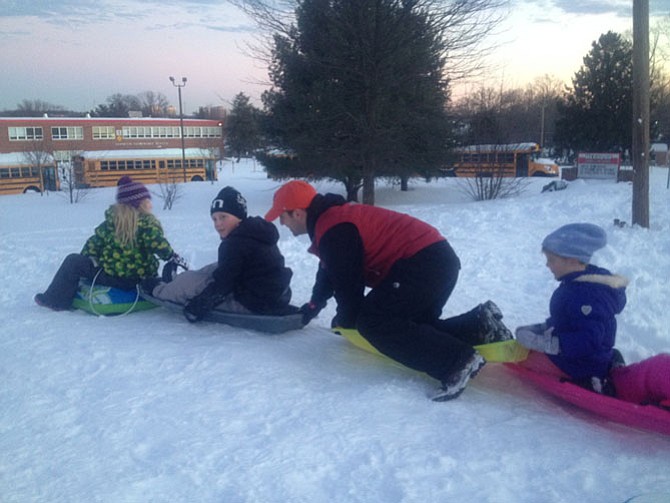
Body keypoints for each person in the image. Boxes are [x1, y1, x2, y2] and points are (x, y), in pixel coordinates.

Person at [264, 180, 513, 401]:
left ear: (297, 213)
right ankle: (479, 325)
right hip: (436, 261)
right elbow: (330, 268)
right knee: (409, 327)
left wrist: (349, 321)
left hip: (424, 263)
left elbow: (348, 283)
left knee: (374, 322)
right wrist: (315, 304)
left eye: (282, 216)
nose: (281, 222)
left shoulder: (334, 228)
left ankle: (458, 361)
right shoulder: (332, 221)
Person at [515, 223, 670, 408]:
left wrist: (545, 343)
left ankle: (590, 383)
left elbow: (588, 339)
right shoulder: (583, 281)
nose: (547, 265)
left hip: (582, 363)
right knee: (529, 351)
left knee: (525, 360)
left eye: (552, 260)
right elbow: (569, 320)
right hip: (590, 357)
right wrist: (542, 329)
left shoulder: (585, 294)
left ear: (572, 260)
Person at [145, 186, 294, 322]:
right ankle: (176, 281)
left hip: (251, 303)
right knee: (213, 268)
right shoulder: (255, 232)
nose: (218, 224)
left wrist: (200, 305)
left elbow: (223, 285)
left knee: (190, 283)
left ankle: (159, 289)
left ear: (239, 216)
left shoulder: (233, 244)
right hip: (276, 293)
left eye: (223, 217)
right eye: (214, 218)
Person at [35, 176, 178, 311]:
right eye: (148, 200)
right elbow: (158, 244)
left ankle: (54, 300)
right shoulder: (148, 224)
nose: (150, 204)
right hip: (139, 279)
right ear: (140, 204)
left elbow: (92, 246)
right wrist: (172, 257)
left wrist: (89, 261)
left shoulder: (110, 223)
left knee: (73, 261)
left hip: (111, 278)